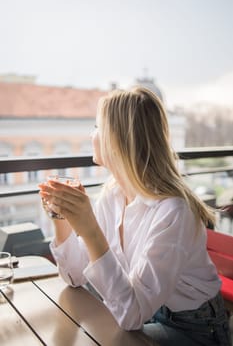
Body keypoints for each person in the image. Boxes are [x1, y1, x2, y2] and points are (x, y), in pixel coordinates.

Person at [38, 86, 231, 346]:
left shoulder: (173, 212)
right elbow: (74, 276)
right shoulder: (113, 195)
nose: (91, 134)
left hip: (194, 328)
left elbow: (131, 316)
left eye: (97, 126)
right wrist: (62, 217)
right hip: (146, 312)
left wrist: (90, 228)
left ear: (118, 139)